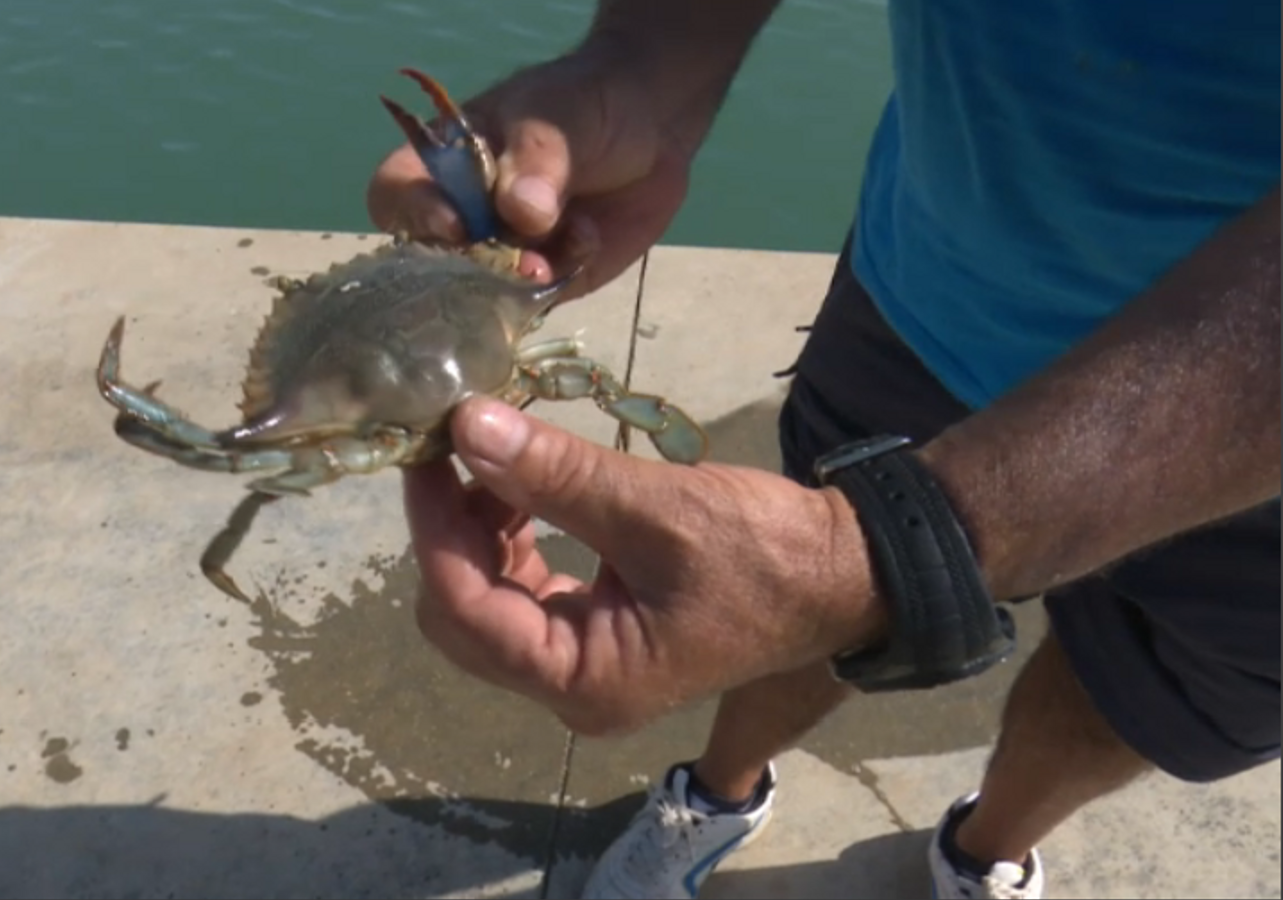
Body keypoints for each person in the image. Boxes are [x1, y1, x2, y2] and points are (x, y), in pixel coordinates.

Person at [365, 1, 1280, 898]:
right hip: (935, 288)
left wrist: (887, 551)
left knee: (1132, 701)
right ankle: (720, 794)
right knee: (780, 606)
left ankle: (982, 854)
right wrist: (645, 60)